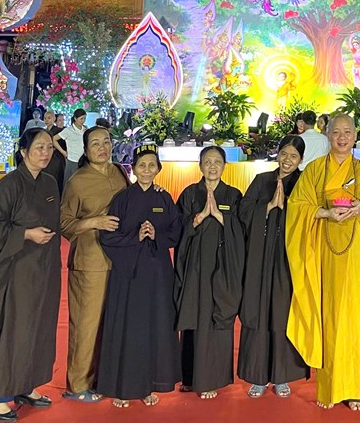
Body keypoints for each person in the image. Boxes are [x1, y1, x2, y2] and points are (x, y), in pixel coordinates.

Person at [286, 113, 360, 410]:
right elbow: (297, 207)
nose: (341, 137)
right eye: (336, 132)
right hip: (324, 256)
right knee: (330, 317)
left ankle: (354, 388)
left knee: (355, 317)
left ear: (355, 135)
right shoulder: (314, 170)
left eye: (347, 132)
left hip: (359, 258)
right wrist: (325, 212)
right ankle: (329, 387)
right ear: (328, 135)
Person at [0, 129, 60, 422]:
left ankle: (26, 385)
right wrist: (26, 234)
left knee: (39, 327)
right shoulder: (9, 184)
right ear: (23, 152)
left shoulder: (49, 182)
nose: (45, 153)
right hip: (14, 270)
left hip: (43, 269)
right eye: (39, 147)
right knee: (13, 330)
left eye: (49, 147)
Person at [97, 142, 182, 408]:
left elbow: (177, 231)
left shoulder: (164, 198)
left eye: (151, 165)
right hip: (129, 273)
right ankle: (123, 388)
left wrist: (157, 235)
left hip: (157, 273)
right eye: (141, 165)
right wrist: (135, 237)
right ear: (133, 169)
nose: (146, 169)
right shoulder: (122, 199)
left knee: (154, 326)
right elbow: (107, 236)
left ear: (158, 169)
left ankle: (148, 385)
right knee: (128, 328)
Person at [59, 126, 127, 402]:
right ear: (86, 151)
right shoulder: (77, 181)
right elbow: (64, 223)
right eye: (95, 144)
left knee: (111, 323)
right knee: (86, 324)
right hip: (89, 261)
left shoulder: (119, 173)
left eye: (106, 142)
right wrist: (93, 222)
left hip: (119, 259)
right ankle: (78, 385)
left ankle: (103, 377)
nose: (102, 148)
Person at [238, 135, 309, 398]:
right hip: (260, 256)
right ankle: (257, 376)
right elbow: (244, 211)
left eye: (294, 156)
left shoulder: (304, 182)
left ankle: (282, 376)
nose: (287, 160)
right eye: (284, 154)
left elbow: (310, 215)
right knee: (257, 311)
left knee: (283, 312)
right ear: (277, 154)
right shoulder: (262, 180)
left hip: (289, 257)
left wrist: (287, 206)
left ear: (301, 159)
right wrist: (267, 207)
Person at [174, 145, 245, 398]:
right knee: (193, 315)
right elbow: (177, 227)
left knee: (217, 317)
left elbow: (243, 231)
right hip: (195, 266)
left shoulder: (234, 195)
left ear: (225, 166)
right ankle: (190, 376)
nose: (212, 166)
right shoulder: (190, 194)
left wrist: (222, 218)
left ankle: (212, 378)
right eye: (207, 161)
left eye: (217, 162)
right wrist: (198, 218)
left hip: (222, 265)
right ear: (200, 166)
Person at [54, 108, 87, 186]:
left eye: (84, 118)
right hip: (72, 160)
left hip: (83, 160)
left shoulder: (85, 129)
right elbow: (53, 139)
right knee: (69, 183)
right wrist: (63, 152)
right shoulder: (68, 130)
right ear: (75, 118)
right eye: (81, 119)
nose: (83, 121)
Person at [41, 109, 65, 195]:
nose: (46, 120)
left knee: (55, 179)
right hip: (47, 157)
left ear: (54, 118)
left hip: (56, 158)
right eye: (45, 118)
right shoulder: (43, 131)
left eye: (49, 118)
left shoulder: (59, 131)